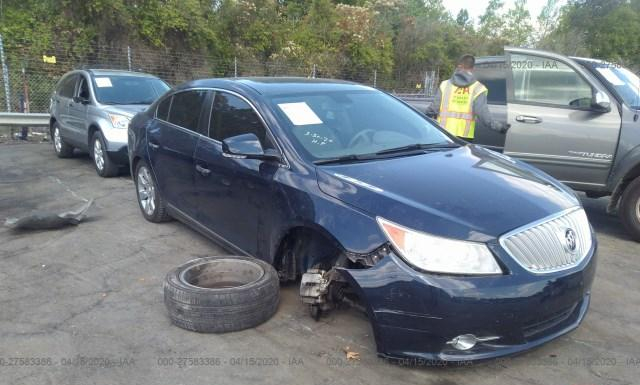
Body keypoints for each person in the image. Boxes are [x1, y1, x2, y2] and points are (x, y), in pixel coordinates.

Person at [426, 54, 508, 141]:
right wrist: (501, 128)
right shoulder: (478, 88)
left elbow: (432, 110)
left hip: (443, 134)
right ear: (472, 69)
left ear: (459, 66)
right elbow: (484, 116)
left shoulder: (445, 85)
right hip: (464, 137)